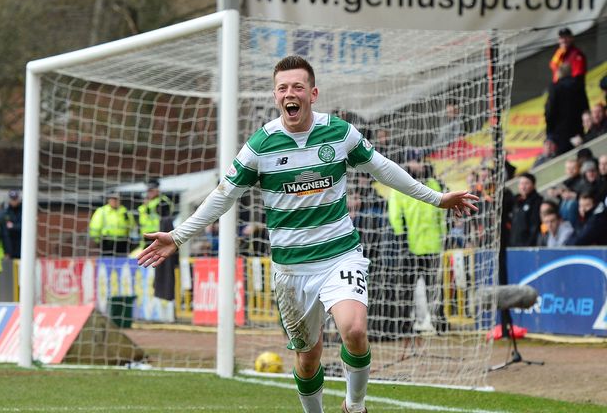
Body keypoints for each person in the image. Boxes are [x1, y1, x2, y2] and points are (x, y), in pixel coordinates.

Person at [136, 56, 479, 413]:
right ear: (275, 96)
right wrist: (177, 236)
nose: (290, 93)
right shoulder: (260, 145)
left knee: (356, 330)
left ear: (312, 93)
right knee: (308, 358)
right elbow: (223, 195)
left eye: (297, 86)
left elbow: (384, 170)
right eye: (283, 88)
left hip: (339, 256)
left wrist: (437, 198)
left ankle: (355, 406)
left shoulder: (339, 134)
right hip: (291, 271)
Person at [387, 153, 446, 334]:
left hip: (432, 246)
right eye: (415, 161)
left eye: (420, 161)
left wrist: (444, 236)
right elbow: (395, 214)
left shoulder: (434, 184)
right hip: (410, 247)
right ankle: (405, 325)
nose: (418, 165)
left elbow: (441, 215)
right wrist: (401, 237)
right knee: (406, 289)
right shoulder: (399, 186)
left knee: (435, 288)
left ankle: (440, 323)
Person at [544, 63, 589, 155]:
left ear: (559, 73)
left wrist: (549, 130)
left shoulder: (555, 88)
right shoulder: (578, 85)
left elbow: (550, 110)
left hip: (560, 131)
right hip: (577, 127)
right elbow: (585, 105)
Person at [89, 192, 135, 256]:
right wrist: (97, 240)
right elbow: (95, 226)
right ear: (109, 200)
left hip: (123, 241)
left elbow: (132, 226)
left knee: (121, 261)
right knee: (107, 261)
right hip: (107, 241)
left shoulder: (125, 211)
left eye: (116, 199)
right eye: (112, 199)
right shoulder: (102, 211)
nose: (114, 201)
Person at [508, 173, 543, 247]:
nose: (523, 187)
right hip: (514, 244)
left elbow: (535, 225)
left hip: (528, 245)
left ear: (533, 185)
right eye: (521, 184)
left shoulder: (537, 201)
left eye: (526, 183)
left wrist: (529, 244)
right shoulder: (516, 201)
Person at [0, 189, 22, 259]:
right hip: (10, 247)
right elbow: (4, 231)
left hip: (22, 245)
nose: (14, 201)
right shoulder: (5, 212)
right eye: (12, 199)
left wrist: (13, 226)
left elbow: (25, 227)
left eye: (15, 199)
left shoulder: (24, 211)